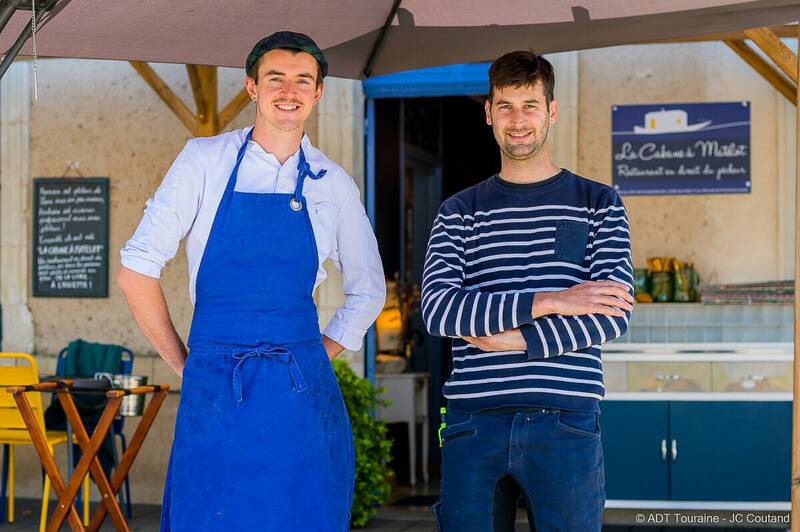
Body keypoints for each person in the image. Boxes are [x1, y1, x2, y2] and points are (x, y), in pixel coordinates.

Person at [117, 31, 385, 530]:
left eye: (303, 80)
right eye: (275, 78)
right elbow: (136, 272)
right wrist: (186, 364)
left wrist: (317, 353)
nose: (289, 91)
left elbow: (369, 289)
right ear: (252, 87)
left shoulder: (333, 183)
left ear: (319, 92)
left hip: (302, 396)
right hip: (216, 389)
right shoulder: (203, 160)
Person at [422, 51, 634, 531]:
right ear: (489, 113)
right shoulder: (459, 211)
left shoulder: (599, 202)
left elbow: (611, 314)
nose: (518, 120)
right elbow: (439, 309)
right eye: (505, 106)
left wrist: (510, 339)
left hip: (566, 421)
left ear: (551, 111)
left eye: (530, 106)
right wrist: (552, 301)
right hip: (473, 421)